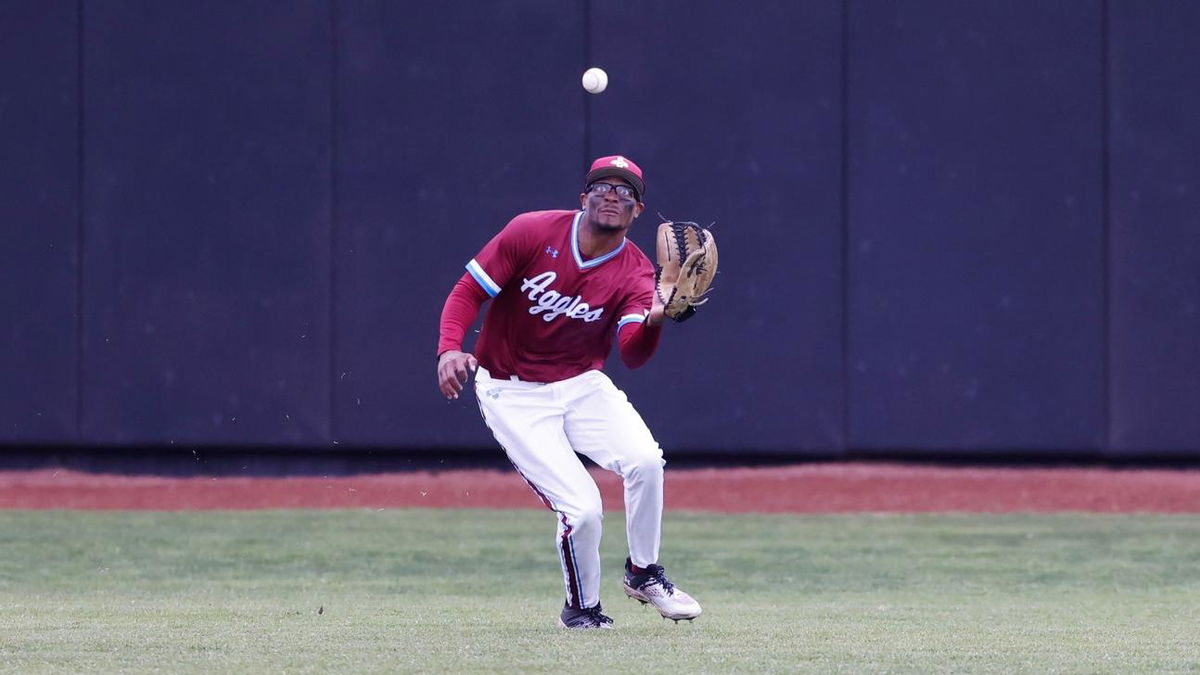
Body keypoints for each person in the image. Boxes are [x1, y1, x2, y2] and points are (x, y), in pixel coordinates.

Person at [435, 155, 702, 629]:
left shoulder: (637, 273)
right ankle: (582, 610)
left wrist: (657, 318)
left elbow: (633, 353)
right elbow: (467, 291)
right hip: (512, 391)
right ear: (584, 198)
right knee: (582, 511)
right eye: (602, 186)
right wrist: (448, 349)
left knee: (644, 461)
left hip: (581, 384)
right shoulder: (532, 232)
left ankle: (643, 573)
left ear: (638, 211)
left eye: (625, 190)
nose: (613, 194)